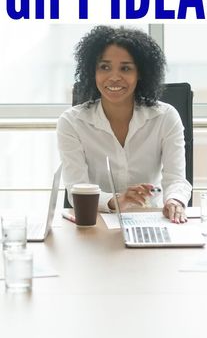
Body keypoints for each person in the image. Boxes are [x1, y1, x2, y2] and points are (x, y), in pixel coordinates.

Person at [57, 25, 191, 223]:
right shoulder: (71, 122)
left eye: (126, 68)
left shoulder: (166, 117)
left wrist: (174, 201)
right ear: (92, 72)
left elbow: (176, 178)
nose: (114, 77)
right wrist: (116, 201)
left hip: (150, 219)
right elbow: (76, 188)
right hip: (95, 223)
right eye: (104, 67)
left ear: (140, 73)